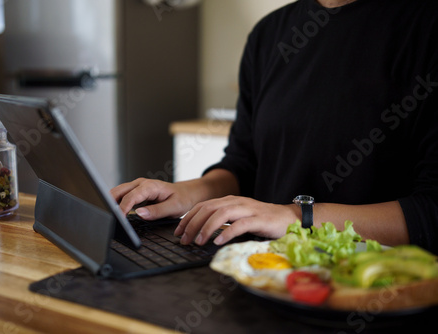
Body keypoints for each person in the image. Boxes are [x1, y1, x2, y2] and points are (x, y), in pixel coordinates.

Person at [111, 0, 438, 254]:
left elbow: (431, 212)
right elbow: (244, 164)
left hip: (377, 290)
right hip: (268, 274)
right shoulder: (269, 35)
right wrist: (187, 193)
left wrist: (298, 219)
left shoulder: (426, 27)